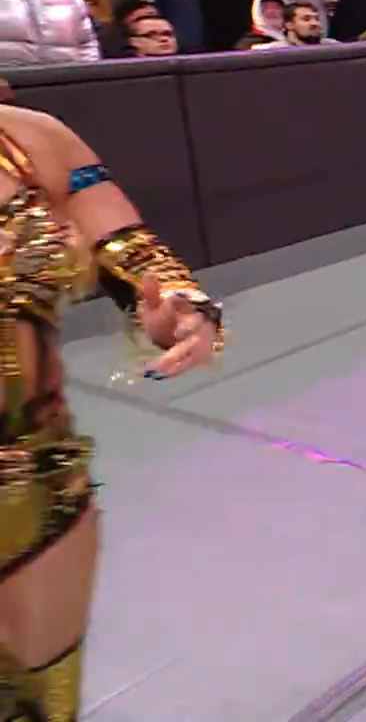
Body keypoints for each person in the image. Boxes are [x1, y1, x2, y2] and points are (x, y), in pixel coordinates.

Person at [0, 99, 224, 721]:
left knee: (42, 705)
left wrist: (179, 305)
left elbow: (131, 249)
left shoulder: (31, 140)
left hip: (35, 484)